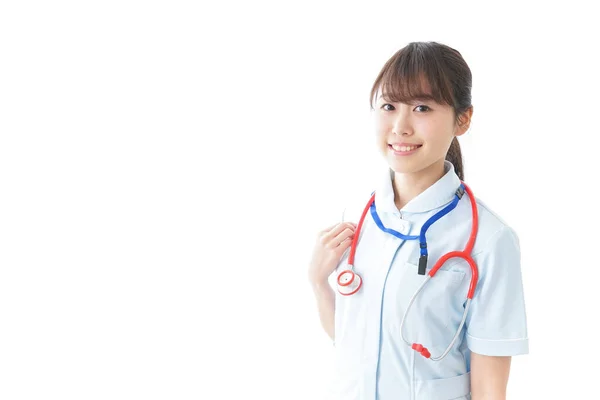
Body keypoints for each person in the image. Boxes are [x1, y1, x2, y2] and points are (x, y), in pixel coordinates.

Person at [308, 41, 529, 400]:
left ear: (463, 119)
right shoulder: (357, 218)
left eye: (422, 107)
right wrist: (319, 283)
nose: (400, 126)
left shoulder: (489, 240)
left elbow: (490, 390)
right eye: (388, 106)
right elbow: (353, 347)